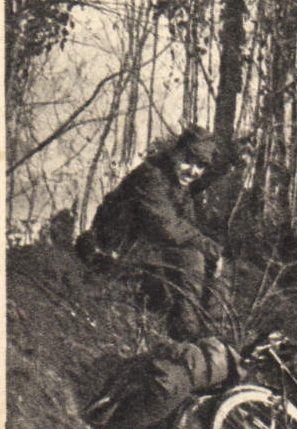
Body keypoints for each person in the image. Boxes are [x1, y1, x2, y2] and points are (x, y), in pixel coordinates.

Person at [78, 125, 245, 340]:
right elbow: (168, 228)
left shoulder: (176, 179)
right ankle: (187, 336)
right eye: (188, 160)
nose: (193, 171)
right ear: (175, 154)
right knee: (192, 257)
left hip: (147, 250)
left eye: (200, 165)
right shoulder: (152, 176)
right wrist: (210, 248)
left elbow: (204, 180)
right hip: (116, 249)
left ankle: (217, 336)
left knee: (217, 264)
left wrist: (231, 160)